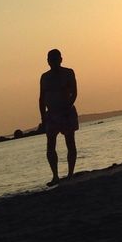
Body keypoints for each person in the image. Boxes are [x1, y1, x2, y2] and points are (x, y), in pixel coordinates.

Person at [38, 48, 79, 186]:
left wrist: (68, 106)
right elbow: (42, 98)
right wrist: (43, 117)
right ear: (48, 61)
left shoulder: (68, 73)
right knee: (50, 146)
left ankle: (70, 173)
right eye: (51, 60)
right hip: (51, 114)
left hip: (66, 112)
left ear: (61, 59)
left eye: (56, 59)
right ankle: (55, 176)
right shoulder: (44, 77)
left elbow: (74, 93)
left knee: (70, 142)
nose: (53, 62)